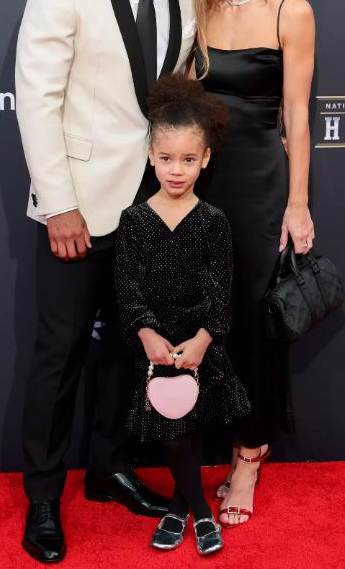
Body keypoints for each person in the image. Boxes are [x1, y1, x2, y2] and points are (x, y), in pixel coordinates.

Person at [15, 0, 197, 563]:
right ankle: (41, 499)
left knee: (129, 353)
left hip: (152, 216)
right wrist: (58, 203)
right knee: (58, 359)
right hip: (78, 211)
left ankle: (109, 468)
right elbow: (38, 100)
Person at [192, 0, 315, 527]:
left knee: (251, 322)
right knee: (205, 315)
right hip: (201, 185)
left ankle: (247, 456)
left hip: (262, 182)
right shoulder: (198, 5)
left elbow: (296, 114)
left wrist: (297, 202)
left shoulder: (289, 11)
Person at [114, 74, 250, 555]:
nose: (176, 170)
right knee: (173, 432)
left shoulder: (214, 222)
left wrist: (203, 340)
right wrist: (147, 333)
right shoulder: (134, 220)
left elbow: (221, 292)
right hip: (155, 348)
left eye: (188, 159)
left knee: (187, 431)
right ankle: (202, 515)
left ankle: (177, 509)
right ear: (151, 155)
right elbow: (127, 287)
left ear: (205, 159)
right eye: (167, 158)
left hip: (198, 344)